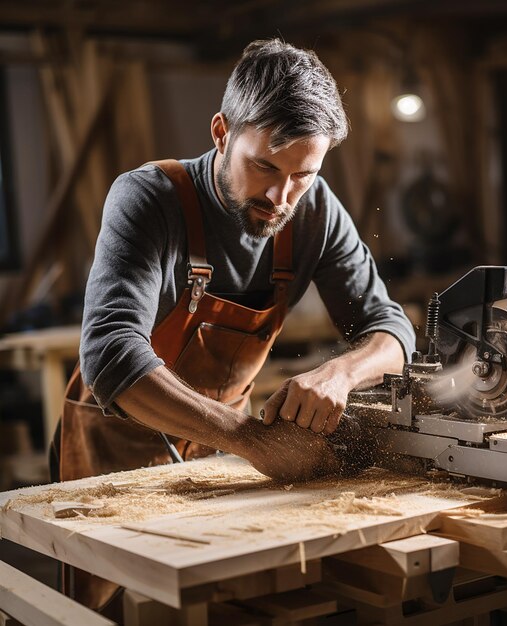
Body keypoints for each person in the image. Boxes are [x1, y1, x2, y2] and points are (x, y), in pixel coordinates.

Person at [53, 37, 415, 489]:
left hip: (222, 453)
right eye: (264, 166)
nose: (281, 198)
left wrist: (339, 374)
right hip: (115, 453)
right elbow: (110, 352)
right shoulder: (148, 199)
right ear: (222, 133)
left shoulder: (315, 210)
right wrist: (256, 443)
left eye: (303, 175)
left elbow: (392, 332)